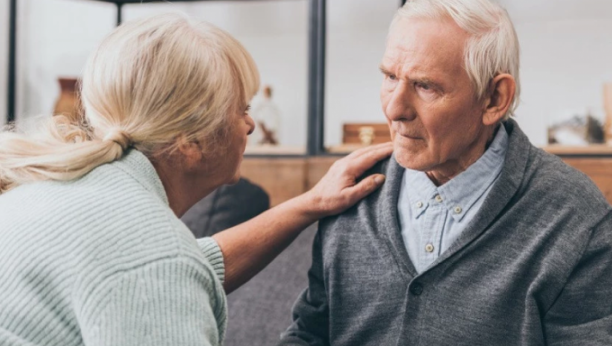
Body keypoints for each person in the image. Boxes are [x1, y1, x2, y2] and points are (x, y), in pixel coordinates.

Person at [0, 14, 393, 346]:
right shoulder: (152, 260)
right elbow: (158, 269)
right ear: (190, 142)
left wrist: (309, 203)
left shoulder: (57, 189)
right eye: (240, 109)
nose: (251, 124)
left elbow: (187, 265)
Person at [279, 0, 612, 345]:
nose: (394, 109)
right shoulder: (351, 193)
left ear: (494, 99)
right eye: (390, 77)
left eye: (425, 86)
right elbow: (309, 333)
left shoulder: (575, 216)